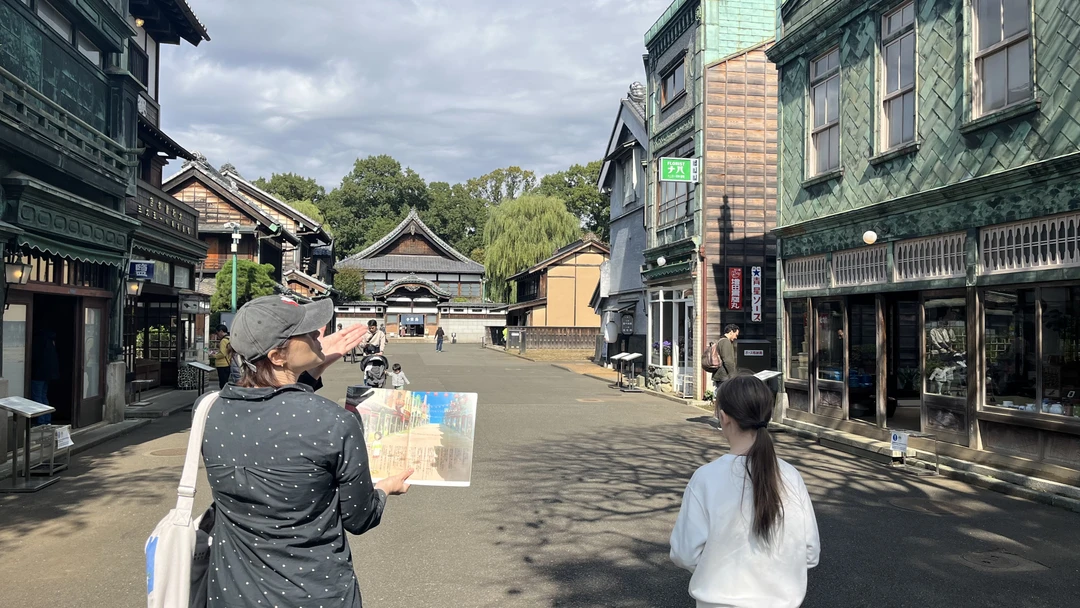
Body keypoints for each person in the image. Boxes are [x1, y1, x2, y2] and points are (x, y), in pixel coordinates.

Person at [202, 295, 413, 608]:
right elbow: (359, 517)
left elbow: (274, 414)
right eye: (307, 332)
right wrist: (383, 489)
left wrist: (316, 364)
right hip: (315, 592)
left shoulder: (210, 412)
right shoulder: (334, 422)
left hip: (232, 591)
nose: (319, 334)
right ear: (277, 355)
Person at [670, 376, 820, 607]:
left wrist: (715, 566)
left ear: (723, 417)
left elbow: (684, 553)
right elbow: (810, 552)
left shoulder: (706, 478)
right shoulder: (791, 476)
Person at [30, 329, 59, 425]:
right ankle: (46, 419)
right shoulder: (50, 342)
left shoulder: (38, 341)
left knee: (37, 396)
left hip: (38, 374)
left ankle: (40, 421)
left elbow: (35, 358)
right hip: (48, 374)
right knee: (43, 395)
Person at [712, 324, 740, 390]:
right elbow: (727, 360)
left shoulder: (720, 341)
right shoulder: (725, 342)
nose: (736, 337)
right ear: (731, 332)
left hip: (720, 375)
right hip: (724, 375)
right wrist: (733, 375)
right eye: (736, 335)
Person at [209, 324, 232, 389]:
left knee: (222, 383)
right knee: (225, 382)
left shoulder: (223, 341)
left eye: (217, 333)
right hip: (228, 363)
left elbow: (223, 353)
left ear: (221, 331)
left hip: (222, 364)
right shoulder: (229, 339)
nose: (217, 335)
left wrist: (214, 355)